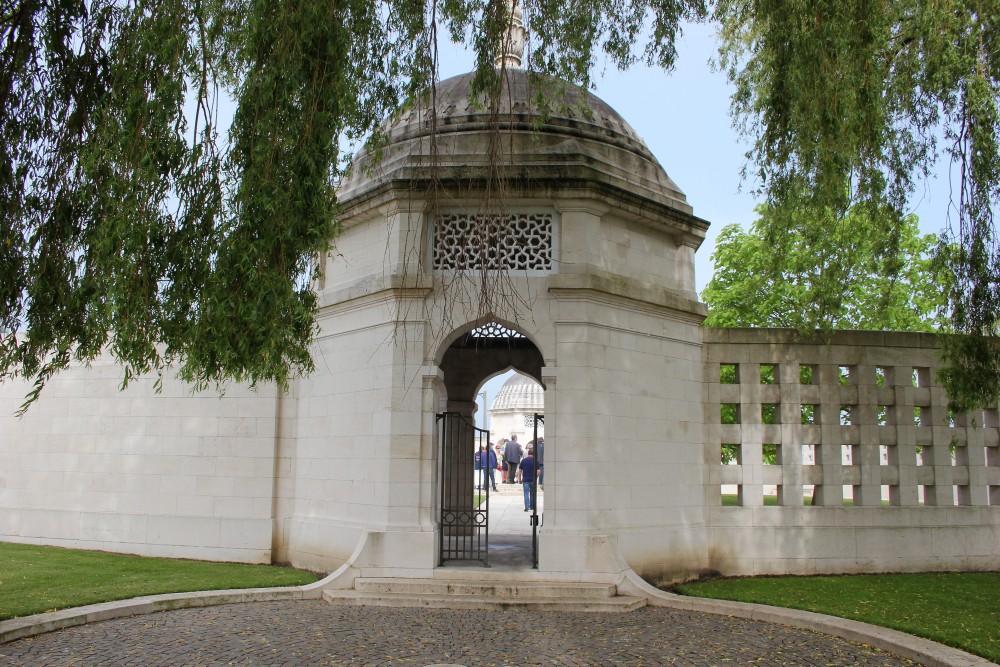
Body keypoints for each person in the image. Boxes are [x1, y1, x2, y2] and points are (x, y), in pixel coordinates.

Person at [516, 446, 539, 511]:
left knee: (526, 493)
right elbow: (539, 471)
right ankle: (532, 506)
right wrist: (536, 477)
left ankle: (527, 507)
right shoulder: (535, 461)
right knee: (532, 493)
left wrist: (519, 479)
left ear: (528, 454)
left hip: (525, 479)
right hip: (533, 479)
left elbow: (520, 471)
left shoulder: (523, 461)